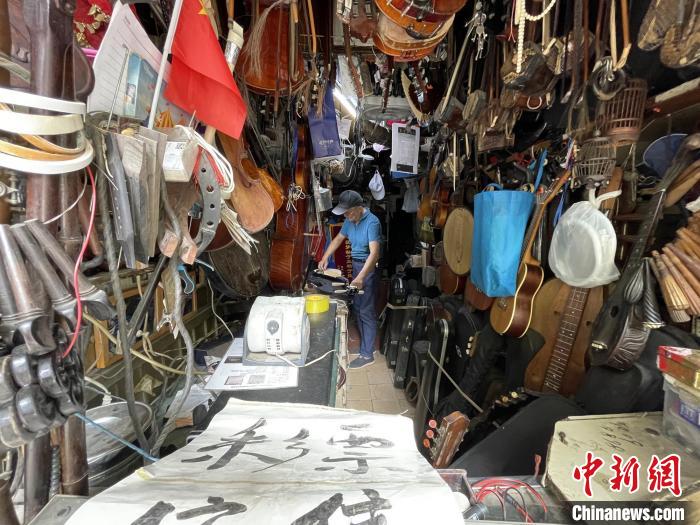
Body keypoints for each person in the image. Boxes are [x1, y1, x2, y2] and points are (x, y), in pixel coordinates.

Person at [319, 190, 381, 369]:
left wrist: (362, 276)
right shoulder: (349, 220)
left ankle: (367, 354)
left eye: (348, 212)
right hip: (356, 266)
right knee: (359, 306)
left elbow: (374, 253)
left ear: (358, 208)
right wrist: (325, 257)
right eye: (344, 213)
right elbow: (338, 238)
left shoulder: (372, 222)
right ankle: (365, 347)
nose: (346, 216)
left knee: (366, 310)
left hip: (368, 267)